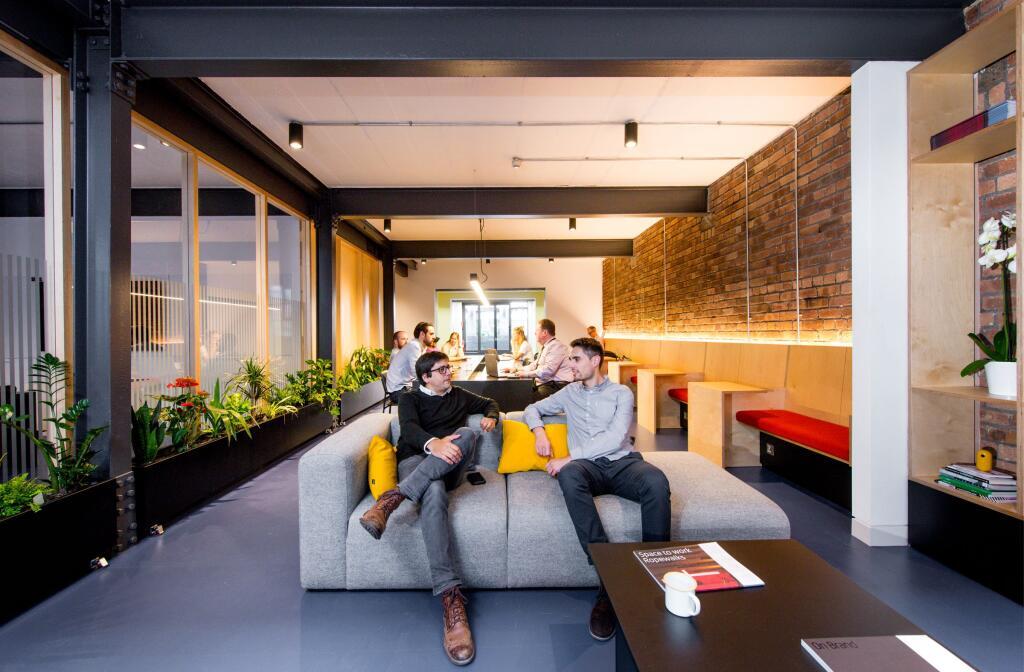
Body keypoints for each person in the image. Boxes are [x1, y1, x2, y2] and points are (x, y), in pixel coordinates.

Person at [522, 337, 670, 642]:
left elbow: (616, 438)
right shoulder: (569, 392)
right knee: (569, 476)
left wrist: (568, 457)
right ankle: (608, 576)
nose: (570, 364)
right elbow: (532, 408)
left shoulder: (621, 393)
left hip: (621, 463)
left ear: (595, 361)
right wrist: (539, 433)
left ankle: (655, 571)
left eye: (575, 359)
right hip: (587, 468)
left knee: (656, 481)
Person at [359, 350, 500, 666]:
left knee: (467, 434)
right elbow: (409, 430)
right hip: (416, 461)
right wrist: (433, 444)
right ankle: (450, 596)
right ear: (426, 377)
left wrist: (493, 415)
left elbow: (489, 402)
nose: (449, 373)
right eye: (442, 369)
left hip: (451, 466)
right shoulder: (410, 398)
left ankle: (393, 499)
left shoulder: (459, 395)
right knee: (433, 490)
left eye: (448, 368)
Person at [516, 318, 573, 399]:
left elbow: (548, 370)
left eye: (537, 330)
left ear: (545, 332)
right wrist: (517, 369)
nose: (535, 333)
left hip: (558, 386)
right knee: (521, 391)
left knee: (524, 395)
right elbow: (535, 364)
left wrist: (526, 374)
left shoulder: (557, 346)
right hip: (549, 384)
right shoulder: (547, 346)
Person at [385, 322, 435, 403]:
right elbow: (416, 371)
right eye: (431, 334)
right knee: (429, 398)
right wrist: (432, 379)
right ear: (422, 334)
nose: (434, 337)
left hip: (406, 386)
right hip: (398, 390)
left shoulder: (420, 347)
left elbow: (422, 368)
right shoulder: (414, 346)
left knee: (433, 394)